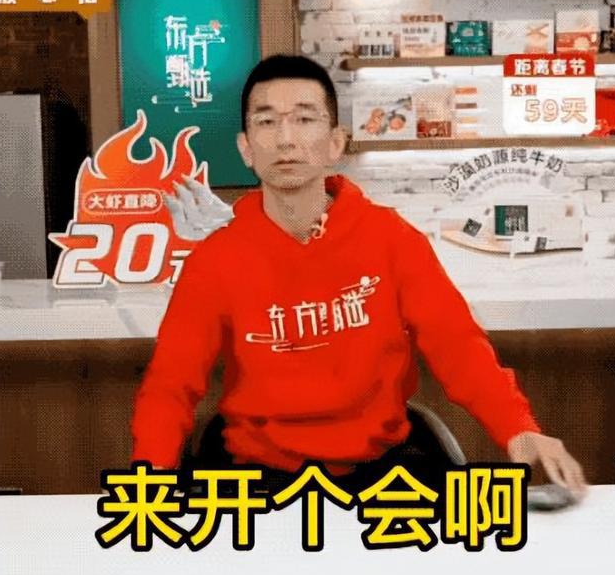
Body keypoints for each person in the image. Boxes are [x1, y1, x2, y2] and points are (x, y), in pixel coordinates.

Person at [131, 54, 587, 495]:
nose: (286, 139)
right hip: (259, 477)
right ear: (246, 148)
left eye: (304, 119)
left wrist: (518, 428)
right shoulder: (215, 260)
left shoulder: (392, 239)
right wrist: (150, 479)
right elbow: (171, 386)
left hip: (382, 473)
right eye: (266, 121)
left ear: (336, 142)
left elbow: (457, 346)